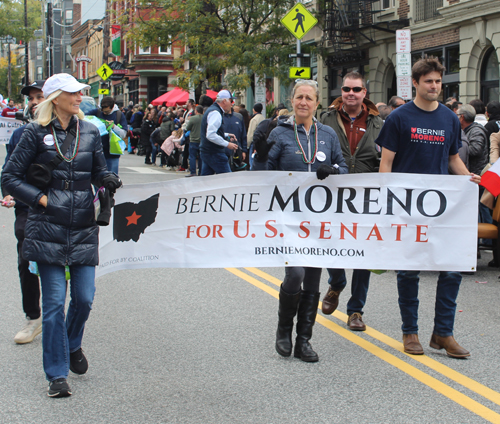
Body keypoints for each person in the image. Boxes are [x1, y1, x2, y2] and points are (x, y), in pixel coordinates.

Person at [1, 73, 122, 397]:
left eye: (80, 92)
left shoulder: (91, 131)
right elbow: (9, 178)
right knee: (54, 303)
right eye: (72, 93)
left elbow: (98, 170)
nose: (79, 97)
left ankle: (72, 343)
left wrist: (108, 178)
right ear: (56, 97)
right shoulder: (32, 133)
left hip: (82, 225)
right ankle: (56, 375)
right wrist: (41, 199)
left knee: (83, 298)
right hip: (47, 226)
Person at [376, 58, 481, 358]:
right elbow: (387, 163)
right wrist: (387, 203)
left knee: (452, 269)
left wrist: (469, 178)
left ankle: (443, 333)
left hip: (443, 208)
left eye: (438, 81)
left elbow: (452, 159)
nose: (434, 86)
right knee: (409, 272)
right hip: (407, 207)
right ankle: (410, 332)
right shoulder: (399, 118)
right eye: (428, 82)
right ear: (416, 84)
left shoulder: (449, 118)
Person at [253, 79, 348, 362]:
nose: (304, 102)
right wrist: (259, 152)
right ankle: (284, 330)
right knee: (295, 274)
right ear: (292, 101)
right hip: (288, 217)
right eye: (299, 97)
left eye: (309, 98)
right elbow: (261, 174)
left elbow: (343, 168)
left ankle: (304, 340)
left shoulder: (328, 134)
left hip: (319, 220)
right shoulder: (279, 132)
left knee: (314, 280)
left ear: (317, 103)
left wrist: (332, 170)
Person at [320, 71, 383, 331]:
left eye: (356, 89)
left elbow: (387, 159)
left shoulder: (380, 123)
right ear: (341, 92)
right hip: (333, 195)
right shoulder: (326, 118)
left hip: (367, 197)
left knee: (363, 254)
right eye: (346, 89)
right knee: (328, 241)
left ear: (364, 93)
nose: (351, 94)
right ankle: (336, 283)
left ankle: (356, 310)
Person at [1, 80, 45, 344]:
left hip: (61, 207)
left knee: (62, 263)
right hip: (27, 207)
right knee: (26, 259)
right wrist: (7, 191)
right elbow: (9, 171)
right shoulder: (19, 135)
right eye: (31, 98)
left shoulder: (76, 132)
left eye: (39, 96)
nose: (34, 102)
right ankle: (33, 318)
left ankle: (60, 317)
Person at [199, 89, 239, 175]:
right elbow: (210, 134)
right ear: (224, 101)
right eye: (231, 101)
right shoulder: (216, 113)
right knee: (227, 179)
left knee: (206, 180)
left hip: (207, 151)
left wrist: (226, 134)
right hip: (214, 152)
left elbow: (210, 132)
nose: (232, 104)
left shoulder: (212, 110)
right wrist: (227, 144)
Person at [88, 96, 128, 173]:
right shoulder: (97, 112)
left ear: (112, 107)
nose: (104, 113)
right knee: (98, 178)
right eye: (103, 111)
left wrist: (113, 126)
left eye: (106, 112)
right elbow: (84, 117)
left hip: (113, 153)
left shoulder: (119, 115)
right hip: (98, 152)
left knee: (112, 177)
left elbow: (123, 134)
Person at [185, 105, 204, 176]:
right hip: (202, 140)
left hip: (193, 140)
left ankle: (193, 172)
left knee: (192, 157)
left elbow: (187, 128)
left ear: (196, 111)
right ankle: (201, 171)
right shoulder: (205, 118)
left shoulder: (192, 118)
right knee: (201, 157)